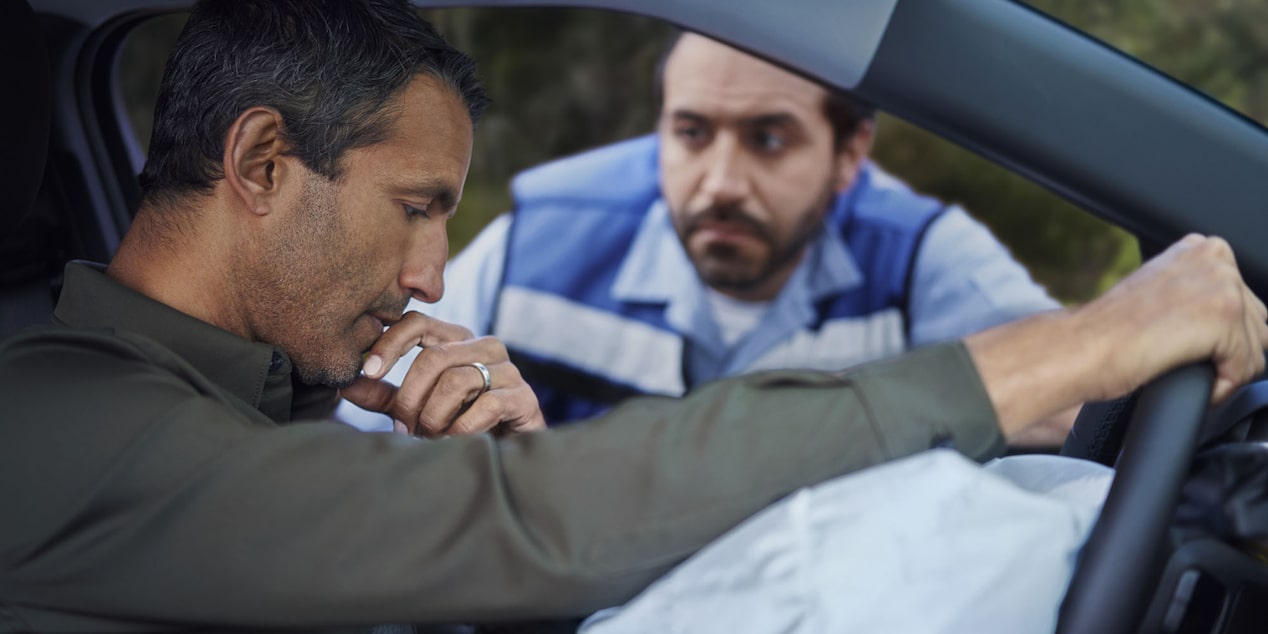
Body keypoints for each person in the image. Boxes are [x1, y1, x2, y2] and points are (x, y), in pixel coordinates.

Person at [1, 1, 1265, 632]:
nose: (437, 276)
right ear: (262, 163)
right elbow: (525, 526)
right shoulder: (60, 423)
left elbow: (499, 535)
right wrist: (1072, 344)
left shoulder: (243, 403)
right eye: (414, 207)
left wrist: (497, 485)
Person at [336, 32, 1063, 438]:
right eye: (691, 133)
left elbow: (1082, 408)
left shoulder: (917, 256)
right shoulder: (544, 239)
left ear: (848, 157)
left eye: (768, 139)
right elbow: (361, 429)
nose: (720, 182)